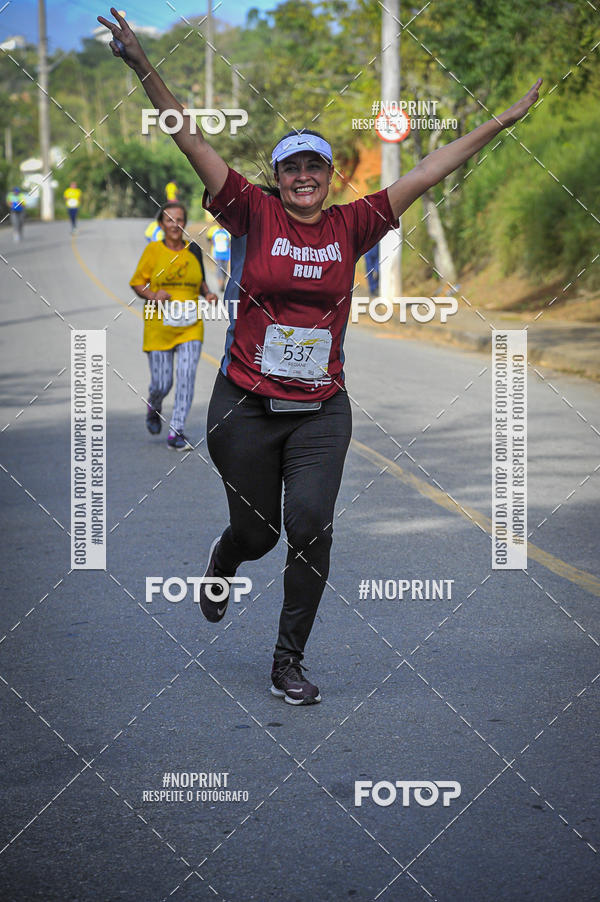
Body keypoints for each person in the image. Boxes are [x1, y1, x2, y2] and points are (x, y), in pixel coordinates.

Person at [99, 6, 542, 705]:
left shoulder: (353, 223)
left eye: (315, 166)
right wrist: (143, 66)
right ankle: (226, 555)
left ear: (331, 176)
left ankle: (288, 661)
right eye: (291, 167)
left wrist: (497, 124)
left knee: (309, 528)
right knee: (259, 533)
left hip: (319, 411)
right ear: (276, 176)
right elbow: (190, 138)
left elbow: (430, 168)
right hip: (243, 406)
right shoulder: (249, 209)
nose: (304, 176)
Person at [129, 200, 218, 449]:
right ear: (161, 224)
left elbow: (200, 281)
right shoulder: (153, 251)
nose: (175, 224)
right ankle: (154, 404)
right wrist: (152, 295)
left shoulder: (194, 250)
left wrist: (208, 293)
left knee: (187, 376)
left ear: (185, 223)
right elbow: (137, 282)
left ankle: (176, 431)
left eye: (179, 220)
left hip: (191, 325)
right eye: (169, 220)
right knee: (162, 383)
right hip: (159, 326)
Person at [206, 220, 231, 292]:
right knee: (219, 269)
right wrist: (214, 245)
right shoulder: (213, 230)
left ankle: (223, 282)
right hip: (217, 253)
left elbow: (230, 241)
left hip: (226, 253)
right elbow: (208, 239)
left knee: (225, 270)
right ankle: (221, 285)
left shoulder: (227, 230)